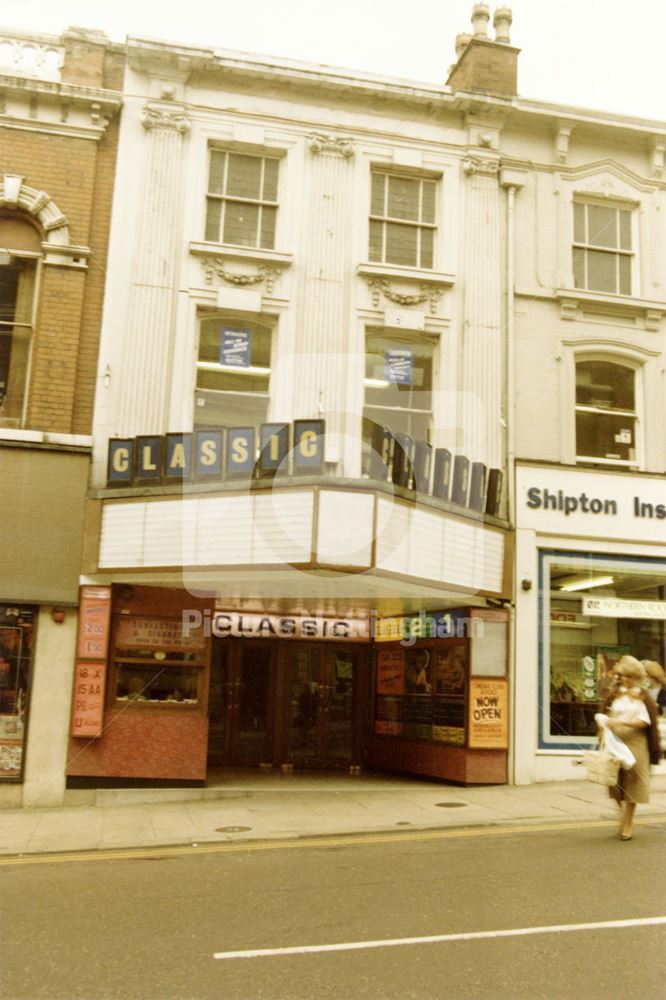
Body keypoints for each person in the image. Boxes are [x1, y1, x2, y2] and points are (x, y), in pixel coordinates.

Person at [603, 656, 660, 841]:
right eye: (622, 675)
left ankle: (628, 822)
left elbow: (645, 722)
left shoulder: (643, 696)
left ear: (636, 677)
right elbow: (606, 712)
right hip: (615, 741)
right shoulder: (615, 694)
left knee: (633, 782)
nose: (625, 679)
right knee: (616, 782)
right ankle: (624, 815)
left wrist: (620, 721)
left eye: (629, 676)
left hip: (636, 742)